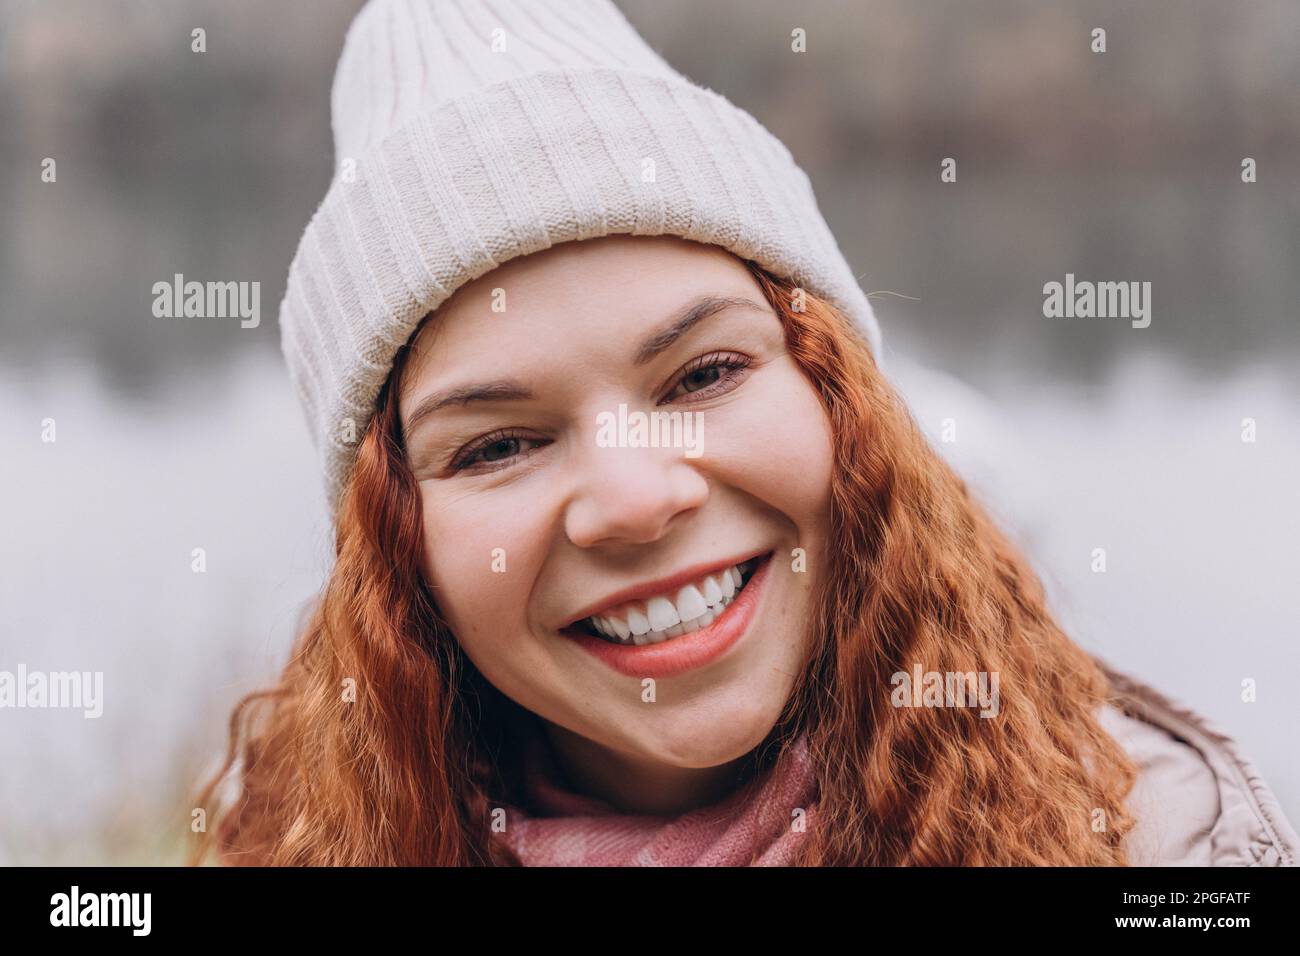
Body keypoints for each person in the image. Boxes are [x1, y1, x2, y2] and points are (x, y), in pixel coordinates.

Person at [192, 0, 1297, 866]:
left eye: (704, 372)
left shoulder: (1145, 841)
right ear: (395, 542)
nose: (633, 498)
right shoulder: (289, 835)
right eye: (496, 445)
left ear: (841, 403)